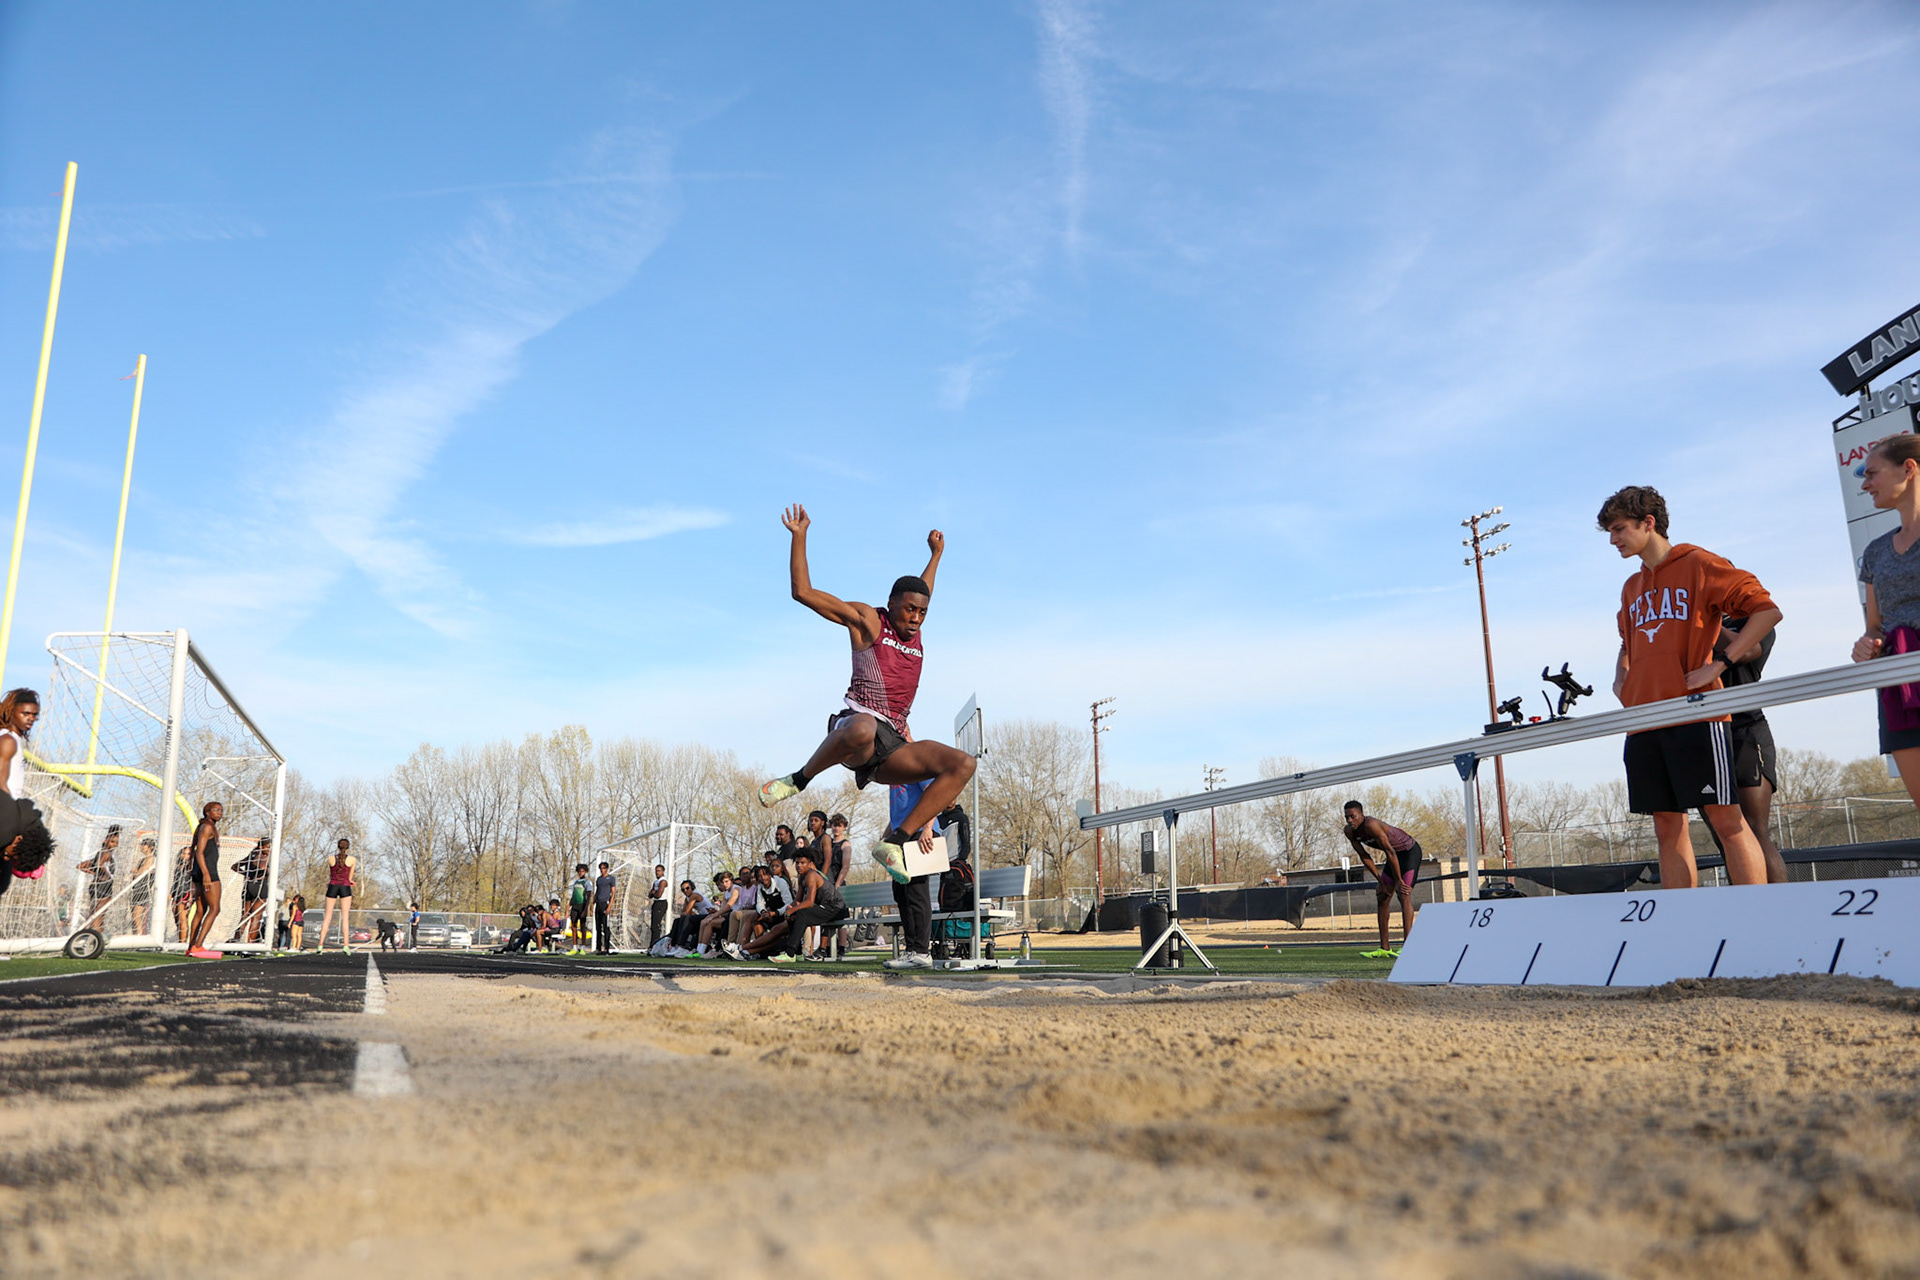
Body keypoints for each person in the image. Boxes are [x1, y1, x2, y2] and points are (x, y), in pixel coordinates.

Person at [756, 505, 976, 881]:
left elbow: (922, 591)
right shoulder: (869, 622)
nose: (916, 619)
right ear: (891, 605)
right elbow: (802, 592)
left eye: (922, 613)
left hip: (892, 746)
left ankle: (894, 842)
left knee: (963, 764)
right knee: (864, 727)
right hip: (854, 731)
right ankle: (798, 779)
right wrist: (799, 536)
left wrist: (935, 556)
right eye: (909, 610)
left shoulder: (915, 626)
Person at [1601, 485, 1781, 889]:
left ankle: (1757, 911)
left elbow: (1767, 611)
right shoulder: (1631, 587)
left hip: (1697, 715)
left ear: (1648, 523)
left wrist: (1721, 663)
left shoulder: (1698, 563)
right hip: (1645, 720)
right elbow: (1627, 644)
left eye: (1619, 529)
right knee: (1666, 827)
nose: (1613, 540)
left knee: (1726, 820)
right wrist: (1622, 681)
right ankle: (1682, 917)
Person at [1854, 433, 1920, 812]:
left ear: (1908, 469)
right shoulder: (1875, 551)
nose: (1865, 485)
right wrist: (1868, 645)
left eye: (1872, 473)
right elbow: (1875, 626)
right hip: (1899, 688)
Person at [1697, 616, 1789, 884]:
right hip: (1703, 733)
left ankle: (1780, 903)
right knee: (1724, 835)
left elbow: (1745, 651)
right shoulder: (1688, 624)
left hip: (1745, 730)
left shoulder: (1755, 620)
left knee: (1752, 828)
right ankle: (1744, 901)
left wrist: (1705, 619)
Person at [727, 849, 848, 962]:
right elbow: (797, 900)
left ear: (810, 864)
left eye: (803, 863)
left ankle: (790, 954)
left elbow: (809, 902)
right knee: (787, 921)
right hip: (825, 908)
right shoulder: (802, 877)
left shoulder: (811, 875)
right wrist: (790, 908)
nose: (799, 866)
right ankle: (796, 953)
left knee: (800, 914)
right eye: (797, 863)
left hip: (837, 909)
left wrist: (792, 910)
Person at [1341, 801, 1421, 956]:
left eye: (1353, 816)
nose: (1349, 820)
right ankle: (1384, 948)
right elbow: (1364, 856)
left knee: (1403, 893)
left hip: (1408, 853)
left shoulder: (1371, 825)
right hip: (1393, 856)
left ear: (1362, 815)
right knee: (1382, 896)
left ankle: (1408, 947)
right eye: (1346, 817)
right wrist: (1381, 882)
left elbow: (1390, 851)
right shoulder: (1349, 831)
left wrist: (1398, 881)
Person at [186, 803, 225, 957]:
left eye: (221, 810)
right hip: (207, 872)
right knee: (215, 909)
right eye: (216, 810)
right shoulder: (207, 827)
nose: (220, 813)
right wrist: (206, 875)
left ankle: (191, 947)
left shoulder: (207, 827)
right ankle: (198, 945)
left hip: (200, 872)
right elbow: (199, 852)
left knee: (201, 910)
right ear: (207, 812)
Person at [316, 838, 357, 954]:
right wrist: (350, 881)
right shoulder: (352, 860)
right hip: (344, 887)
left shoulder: (331, 859)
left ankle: (320, 945)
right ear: (348, 847)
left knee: (327, 917)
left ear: (338, 846)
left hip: (333, 886)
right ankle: (346, 946)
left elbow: (331, 874)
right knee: (345, 917)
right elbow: (349, 877)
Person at [77, 825, 120, 933]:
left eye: (116, 842)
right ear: (106, 840)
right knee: (99, 915)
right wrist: (107, 874)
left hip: (95, 886)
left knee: (93, 914)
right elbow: (99, 865)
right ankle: (95, 936)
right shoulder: (106, 852)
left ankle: (89, 934)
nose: (115, 844)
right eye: (113, 842)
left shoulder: (99, 853)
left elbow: (80, 866)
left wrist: (94, 873)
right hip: (104, 886)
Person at [0, 688, 40, 801]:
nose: (31, 718)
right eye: (25, 713)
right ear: (11, 711)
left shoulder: (13, 738)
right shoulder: (8, 740)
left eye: (34, 714)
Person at [229, 838, 271, 943]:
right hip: (260, 887)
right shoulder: (264, 856)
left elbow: (234, 866)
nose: (269, 849)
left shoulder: (251, 854)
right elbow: (262, 867)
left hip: (248, 886)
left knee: (245, 915)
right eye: (268, 847)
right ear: (262, 846)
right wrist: (267, 873)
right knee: (256, 916)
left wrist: (246, 875)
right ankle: (250, 943)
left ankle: (236, 940)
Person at [697, 871, 738, 955]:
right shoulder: (726, 893)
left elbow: (728, 906)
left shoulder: (736, 889)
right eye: (723, 882)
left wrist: (713, 916)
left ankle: (702, 951)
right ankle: (698, 949)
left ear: (731, 880)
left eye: (726, 881)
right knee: (704, 921)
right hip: (728, 915)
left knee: (710, 923)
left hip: (735, 915)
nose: (724, 884)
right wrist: (713, 915)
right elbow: (722, 909)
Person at [668, 880, 709, 952]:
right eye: (683, 890)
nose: (685, 891)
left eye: (687, 888)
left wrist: (690, 913)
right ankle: (673, 945)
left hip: (708, 915)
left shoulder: (694, 895)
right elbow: (683, 913)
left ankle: (681, 945)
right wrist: (690, 913)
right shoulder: (687, 898)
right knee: (677, 921)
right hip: (700, 916)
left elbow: (687, 912)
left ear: (692, 887)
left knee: (688, 919)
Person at [129, 836, 157, 936]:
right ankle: (136, 935)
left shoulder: (151, 859)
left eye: (144, 845)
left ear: (150, 847)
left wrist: (135, 871)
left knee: (137, 916)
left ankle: (139, 936)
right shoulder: (142, 860)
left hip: (143, 890)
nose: (141, 846)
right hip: (136, 889)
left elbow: (140, 873)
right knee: (134, 916)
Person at [565, 864, 593, 955]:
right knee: (573, 926)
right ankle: (574, 947)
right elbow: (573, 895)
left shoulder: (587, 882)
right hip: (575, 906)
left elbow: (588, 896)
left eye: (582, 871)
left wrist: (586, 909)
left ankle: (583, 948)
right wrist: (568, 907)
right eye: (579, 871)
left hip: (582, 906)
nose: (581, 873)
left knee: (582, 927)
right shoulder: (576, 882)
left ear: (585, 872)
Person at [593, 861, 617, 954]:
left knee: (605, 926)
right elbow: (597, 892)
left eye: (603, 868)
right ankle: (598, 947)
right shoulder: (599, 879)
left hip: (605, 903)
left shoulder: (611, 879)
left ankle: (606, 948)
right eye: (601, 868)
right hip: (598, 904)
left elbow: (613, 893)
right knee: (598, 927)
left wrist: (609, 906)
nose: (602, 870)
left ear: (606, 869)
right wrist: (592, 904)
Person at [646, 863, 669, 950]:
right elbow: (650, 895)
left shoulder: (663, 881)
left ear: (663, 872)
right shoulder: (656, 882)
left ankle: (655, 946)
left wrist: (654, 892)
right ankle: (652, 945)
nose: (657, 872)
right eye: (656, 871)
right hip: (656, 903)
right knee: (653, 926)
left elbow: (659, 895)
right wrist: (653, 893)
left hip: (661, 903)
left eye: (659, 871)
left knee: (656, 926)